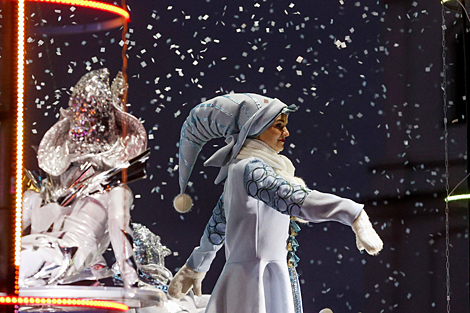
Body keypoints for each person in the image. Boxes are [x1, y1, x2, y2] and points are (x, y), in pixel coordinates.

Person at [167, 93, 383, 313]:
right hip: (256, 280)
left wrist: (196, 266)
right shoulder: (252, 169)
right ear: (255, 128)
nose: (286, 133)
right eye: (279, 126)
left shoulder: (242, 170)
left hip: (259, 274)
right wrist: (353, 213)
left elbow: (218, 225)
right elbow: (291, 197)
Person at [20, 68, 148, 288]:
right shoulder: (104, 190)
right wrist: (131, 285)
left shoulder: (111, 190)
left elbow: (113, 232)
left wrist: (130, 285)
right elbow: (116, 232)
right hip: (52, 258)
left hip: (57, 259)